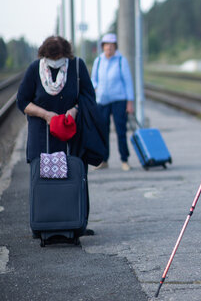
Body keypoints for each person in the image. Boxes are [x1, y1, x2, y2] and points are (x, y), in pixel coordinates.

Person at [16, 35, 97, 235]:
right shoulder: (35, 69)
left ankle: (77, 221)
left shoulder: (76, 67)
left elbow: (88, 97)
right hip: (41, 135)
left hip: (71, 135)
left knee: (75, 176)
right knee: (42, 179)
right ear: (44, 55)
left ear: (66, 54)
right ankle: (42, 222)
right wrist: (46, 115)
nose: (56, 61)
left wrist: (75, 110)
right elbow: (22, 101)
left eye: (60, 57)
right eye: (52, 57)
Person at [91, 33, 135, 171]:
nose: (109, 48)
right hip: (102, 101)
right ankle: (104, 160)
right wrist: (97, 89)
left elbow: (128, 82)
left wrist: (130, 102)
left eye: (112, 45)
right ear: (103, 47)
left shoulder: (121, 60)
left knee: (121, 131)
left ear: (115, 46)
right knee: (103, 132)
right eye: (106, 45)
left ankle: (124, 160)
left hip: (119, 100)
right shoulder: (98, 61)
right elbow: (93, 79)